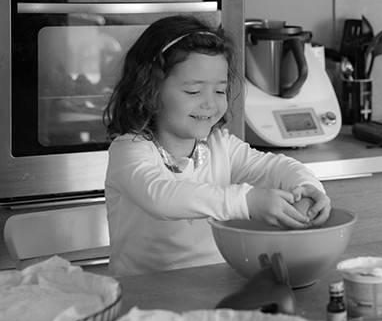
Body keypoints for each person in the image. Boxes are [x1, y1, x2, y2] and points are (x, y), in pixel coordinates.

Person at [103, 15, 331, 276]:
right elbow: (159, 196)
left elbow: (277, 167)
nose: (210, 104)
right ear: (149, 91)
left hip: (215, 288)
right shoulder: (130, 150)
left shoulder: (219, 146)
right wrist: (246, 202)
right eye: (193, 92)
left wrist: (308, 187)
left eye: (220, 91)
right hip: (144, 299)